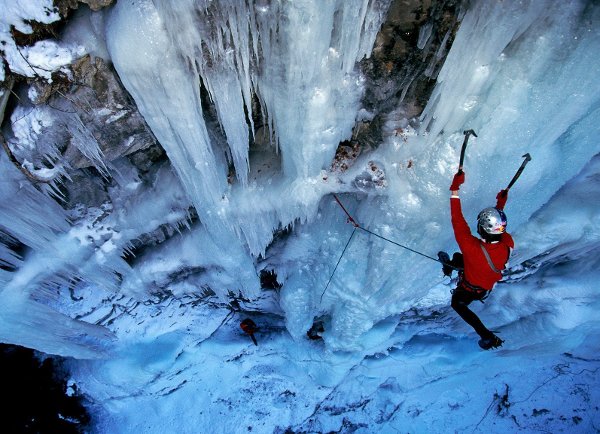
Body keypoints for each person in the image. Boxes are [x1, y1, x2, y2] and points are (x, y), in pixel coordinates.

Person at [443, 170, 514, 350]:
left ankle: (486, 335)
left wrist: (455, 189)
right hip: (481, 288)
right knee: (460, 259)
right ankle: (448, 266)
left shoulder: (470, 246)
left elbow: (457, 219)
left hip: (468, 286)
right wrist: (500, 206)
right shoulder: (507, 244)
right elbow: (498, 229)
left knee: (457, 303)